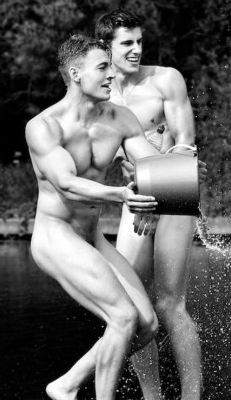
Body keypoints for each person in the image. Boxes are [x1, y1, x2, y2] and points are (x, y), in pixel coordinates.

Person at [26, 35, 161, 400]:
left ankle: (66, 386)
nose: (111, 77)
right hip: (56, 237)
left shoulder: (119, 118)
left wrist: (173, 180)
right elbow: (67, 184)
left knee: (146, 325)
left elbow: (151, 164)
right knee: (123, 318)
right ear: (75, 73)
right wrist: (121, 195)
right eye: (102, 68)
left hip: (91, 236)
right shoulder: (45, 126)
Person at [93, 9, 202, 400]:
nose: (137, 49)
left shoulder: (165, 80)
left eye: (139, 41)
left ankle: (192, 397)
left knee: (171, 303)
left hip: (175, 190)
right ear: (107, 47)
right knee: (135, 308)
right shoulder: (99, 95)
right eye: (127, 43)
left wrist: (157, 200)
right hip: (136, 199)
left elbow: (186, 143)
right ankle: (151, 397)